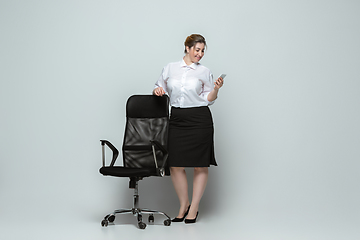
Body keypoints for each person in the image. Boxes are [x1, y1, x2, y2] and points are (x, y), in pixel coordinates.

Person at [153, 34, 224, 224]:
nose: (199, 54)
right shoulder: (170, 68)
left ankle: (194, 207)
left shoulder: (204, 71)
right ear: (187, 48)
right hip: (177, 118)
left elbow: (208, 97)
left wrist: (216, 89)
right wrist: (158, 90)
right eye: (197, 50)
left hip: (200, 119)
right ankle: (183, 204)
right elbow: (159, 87)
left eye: (202, 51)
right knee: (175, 164)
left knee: (200, 164)